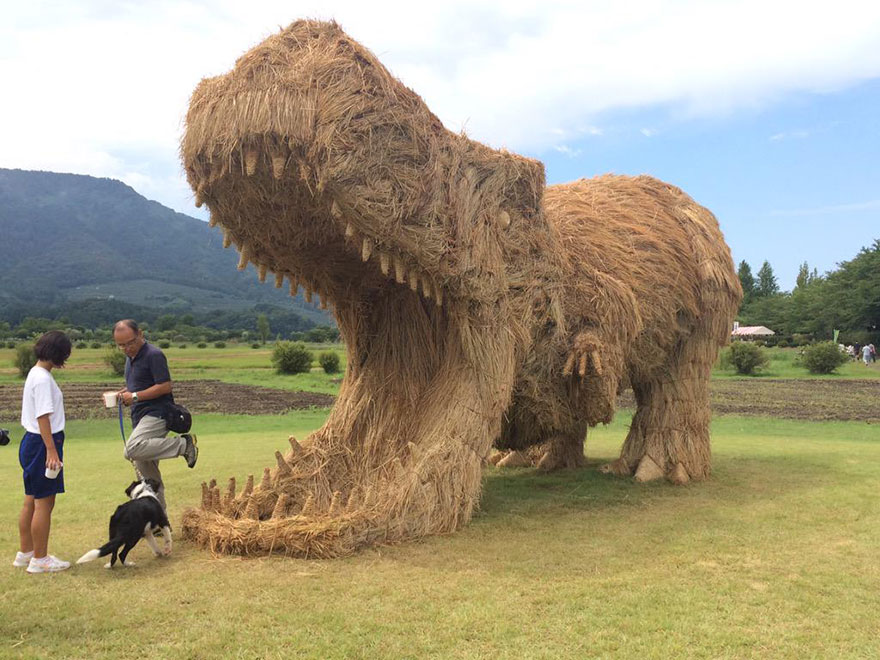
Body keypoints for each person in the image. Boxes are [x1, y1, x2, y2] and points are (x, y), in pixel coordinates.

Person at [113, 319, 198, 511]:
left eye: (130, 342)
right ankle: (159, 521)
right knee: (149, 477)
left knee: (132, 449)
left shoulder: (154, 355)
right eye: (121, 345)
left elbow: (164, 386)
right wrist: (123, 393)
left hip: (157, 413)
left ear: (140, 334)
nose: (127, 348)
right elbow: (139, 385)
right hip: (139, 416)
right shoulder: (130, 358)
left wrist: (133, 396)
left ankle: (184, 444)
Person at [15, 331, 72, 573]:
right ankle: (40, 559)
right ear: (59, 353)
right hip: (43, 444)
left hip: (31, 443)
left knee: (31, 499)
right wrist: (51, 450)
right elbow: (43, 417)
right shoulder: (43, 379)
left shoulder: (35, 373)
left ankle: (26, 553)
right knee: (44, 503)